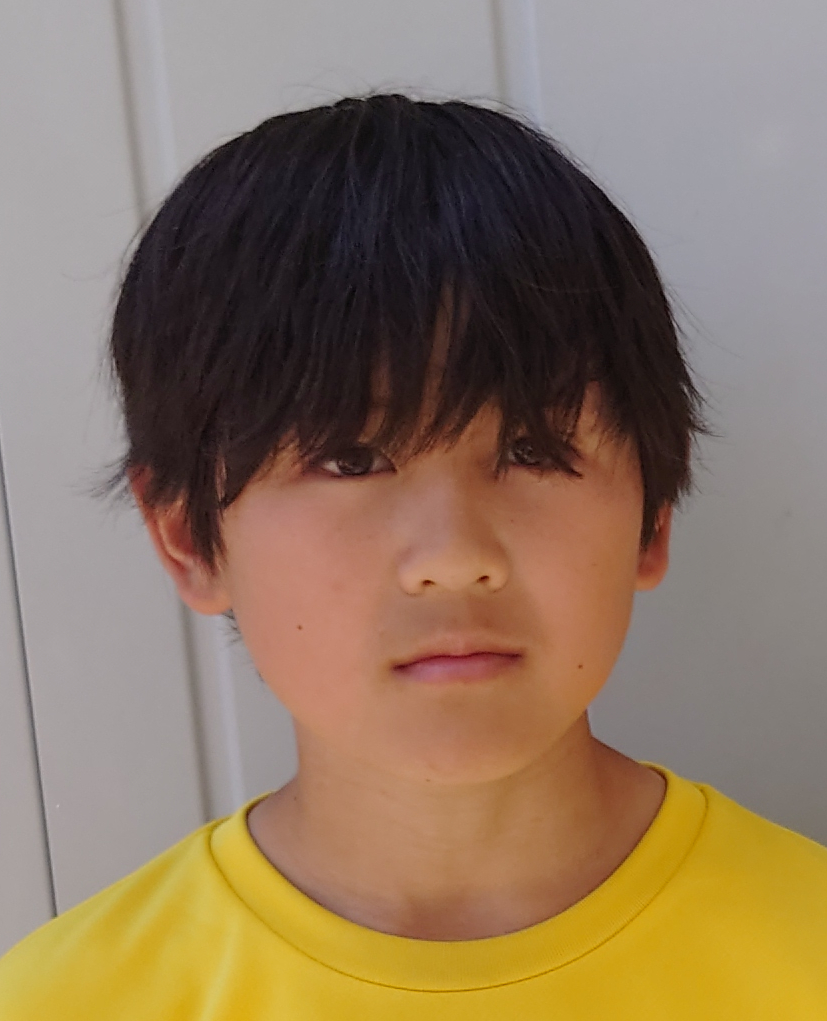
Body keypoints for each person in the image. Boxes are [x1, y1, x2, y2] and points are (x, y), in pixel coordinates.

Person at [1, 91, 825, 1018]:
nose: (454, 556)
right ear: (189, 535)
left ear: (653, 514)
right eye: (350, 459)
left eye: (531, 450)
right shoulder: (66, 999)